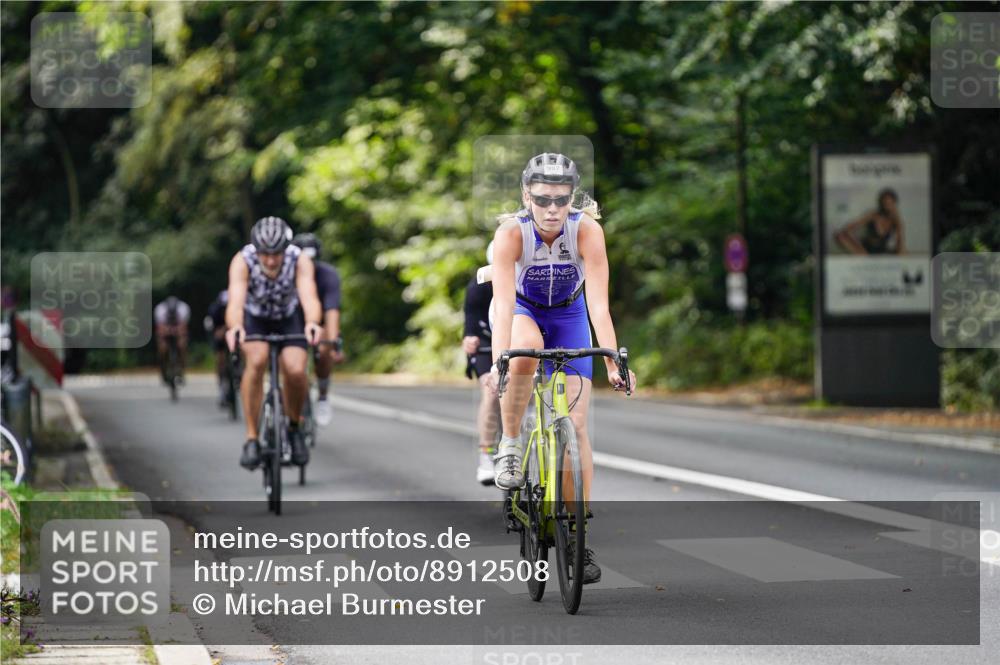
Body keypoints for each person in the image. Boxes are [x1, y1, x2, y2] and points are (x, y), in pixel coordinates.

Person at [488, 152, 636, 584]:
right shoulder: (511, 234)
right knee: (525, 350)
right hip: (523, 311)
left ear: (573, 197)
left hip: (569, 315)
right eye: (542, 200)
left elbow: (598, 306)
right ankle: (511, 442)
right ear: (526, 197)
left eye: (561, 199)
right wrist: (499, 361)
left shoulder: (587, 231)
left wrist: (611, 360)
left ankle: (576, 533)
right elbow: (502, 307)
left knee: (578, 425)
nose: (552, 209)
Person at [225, 217, 323, 470]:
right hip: (255, 318)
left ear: (285, 249)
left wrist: (312, 323)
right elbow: (235, 302)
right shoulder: (242, 260)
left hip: (288, 317)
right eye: (265, 254)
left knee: (296, 370)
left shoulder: (299, 259)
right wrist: (235, 327)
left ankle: (294, 426)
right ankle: (251, 438)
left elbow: (309, 296)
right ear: (256, 250)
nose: (270, 261)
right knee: (256, 361)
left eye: (276, 254)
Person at [291, 233, 344, 426]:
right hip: (293, 322)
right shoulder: (286, 275)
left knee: (324, 350)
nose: (308, 263)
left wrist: (334, 343)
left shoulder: (328, 275)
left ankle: (322, 395)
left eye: (311, 259)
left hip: (319, 322)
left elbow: (332, 312)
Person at [463, 242, 500, 485]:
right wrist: (469, 339)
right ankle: (486, 454)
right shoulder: (478, 287)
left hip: (517, 337)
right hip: (487, 341)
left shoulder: (527, 280)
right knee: (491, 390)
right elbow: (470, 327)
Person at [834, 188, 905, 255]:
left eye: (890, 204)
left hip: (882, 251)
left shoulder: (896, 220)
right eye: (885, 203)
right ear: (881, 203)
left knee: (903, 253)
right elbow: (853, 225)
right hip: (865, 250)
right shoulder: (873, 215)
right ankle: (864, 256)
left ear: (894, 204)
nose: (887, 206)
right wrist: (852, 240)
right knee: (840, 235)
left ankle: (866, 257)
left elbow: (900, 245)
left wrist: (899, 223)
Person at [154, 296, 190, 384]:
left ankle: (181, 370)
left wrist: (176, 331)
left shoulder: (183, 309)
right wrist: (167, 331)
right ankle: (163, 368)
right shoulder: (160, 310)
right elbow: (159, 328)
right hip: (165, 332)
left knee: (182, 346)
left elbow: (184, 327)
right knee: (162, 348)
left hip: (178, 331)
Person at [204, 289, 230, 407]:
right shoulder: (214, 311)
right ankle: (221, 386)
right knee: (220, 360)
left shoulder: (240, 307)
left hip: (233, 332)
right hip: (218, 334)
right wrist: (218, 333)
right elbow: (210, 329)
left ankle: (241, 369)